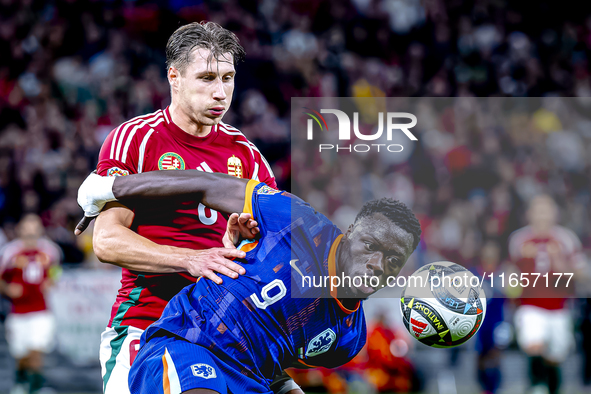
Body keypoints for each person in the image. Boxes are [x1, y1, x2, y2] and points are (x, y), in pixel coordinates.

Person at [75, 169, 422, 394]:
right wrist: (107, 187)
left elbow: (275, 362)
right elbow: (204, 185)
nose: (378, 264)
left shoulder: (348, 338)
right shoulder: (298, 221)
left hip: (247, 381)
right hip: (189, 342)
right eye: (371, 246)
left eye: (394, 260)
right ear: (349, 236)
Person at [85, 21, 284, 394]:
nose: (220, 92)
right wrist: (191, 258)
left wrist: (244, 245)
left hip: (224, 334)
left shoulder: (249, 157)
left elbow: (275, 256)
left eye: (228, 78)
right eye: (207, 78)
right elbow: (107, 242)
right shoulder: (137, 139)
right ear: (173, 77)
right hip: (145, 324)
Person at [508, 195, 586, 394]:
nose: (542, 214)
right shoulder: (519, 240)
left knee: (555, 356)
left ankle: (549, 387)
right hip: (530, 306)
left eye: (546, 209)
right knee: (534, 344)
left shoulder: (566, 239)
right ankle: (537, 387)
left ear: (555, 213)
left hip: (559, 308)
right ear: (529, 214)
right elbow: (511, 273)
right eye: (538, 209)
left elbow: (581, 273)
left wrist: (560, 264)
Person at [0, 214, 62, 394]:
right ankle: (21, 380)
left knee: (36, 349)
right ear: (20, 229)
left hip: (41, 310)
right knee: (22, 355)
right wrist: (8, 289)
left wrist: (51, 281)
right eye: (27, 227)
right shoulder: (10, 252)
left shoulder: (50, 250)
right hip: (18, 312)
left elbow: (57, 269)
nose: (31, 232)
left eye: (34, 227)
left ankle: (35, 388)